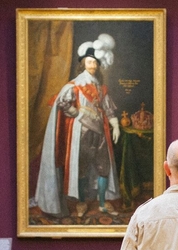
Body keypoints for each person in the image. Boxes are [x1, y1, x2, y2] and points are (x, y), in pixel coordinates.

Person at [34, 44, 121, 217]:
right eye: (89, 62)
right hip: (81, 132)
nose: (93, 66)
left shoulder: (101, 88)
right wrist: (78, 113)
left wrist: (116, 125)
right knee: (82, 168)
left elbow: (108, 109)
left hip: (100, 133)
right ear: (83, 64)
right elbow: (63, 103)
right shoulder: (75, 86)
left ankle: (103, 203)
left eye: (95, 63)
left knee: (103, 167)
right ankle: (81, 202)